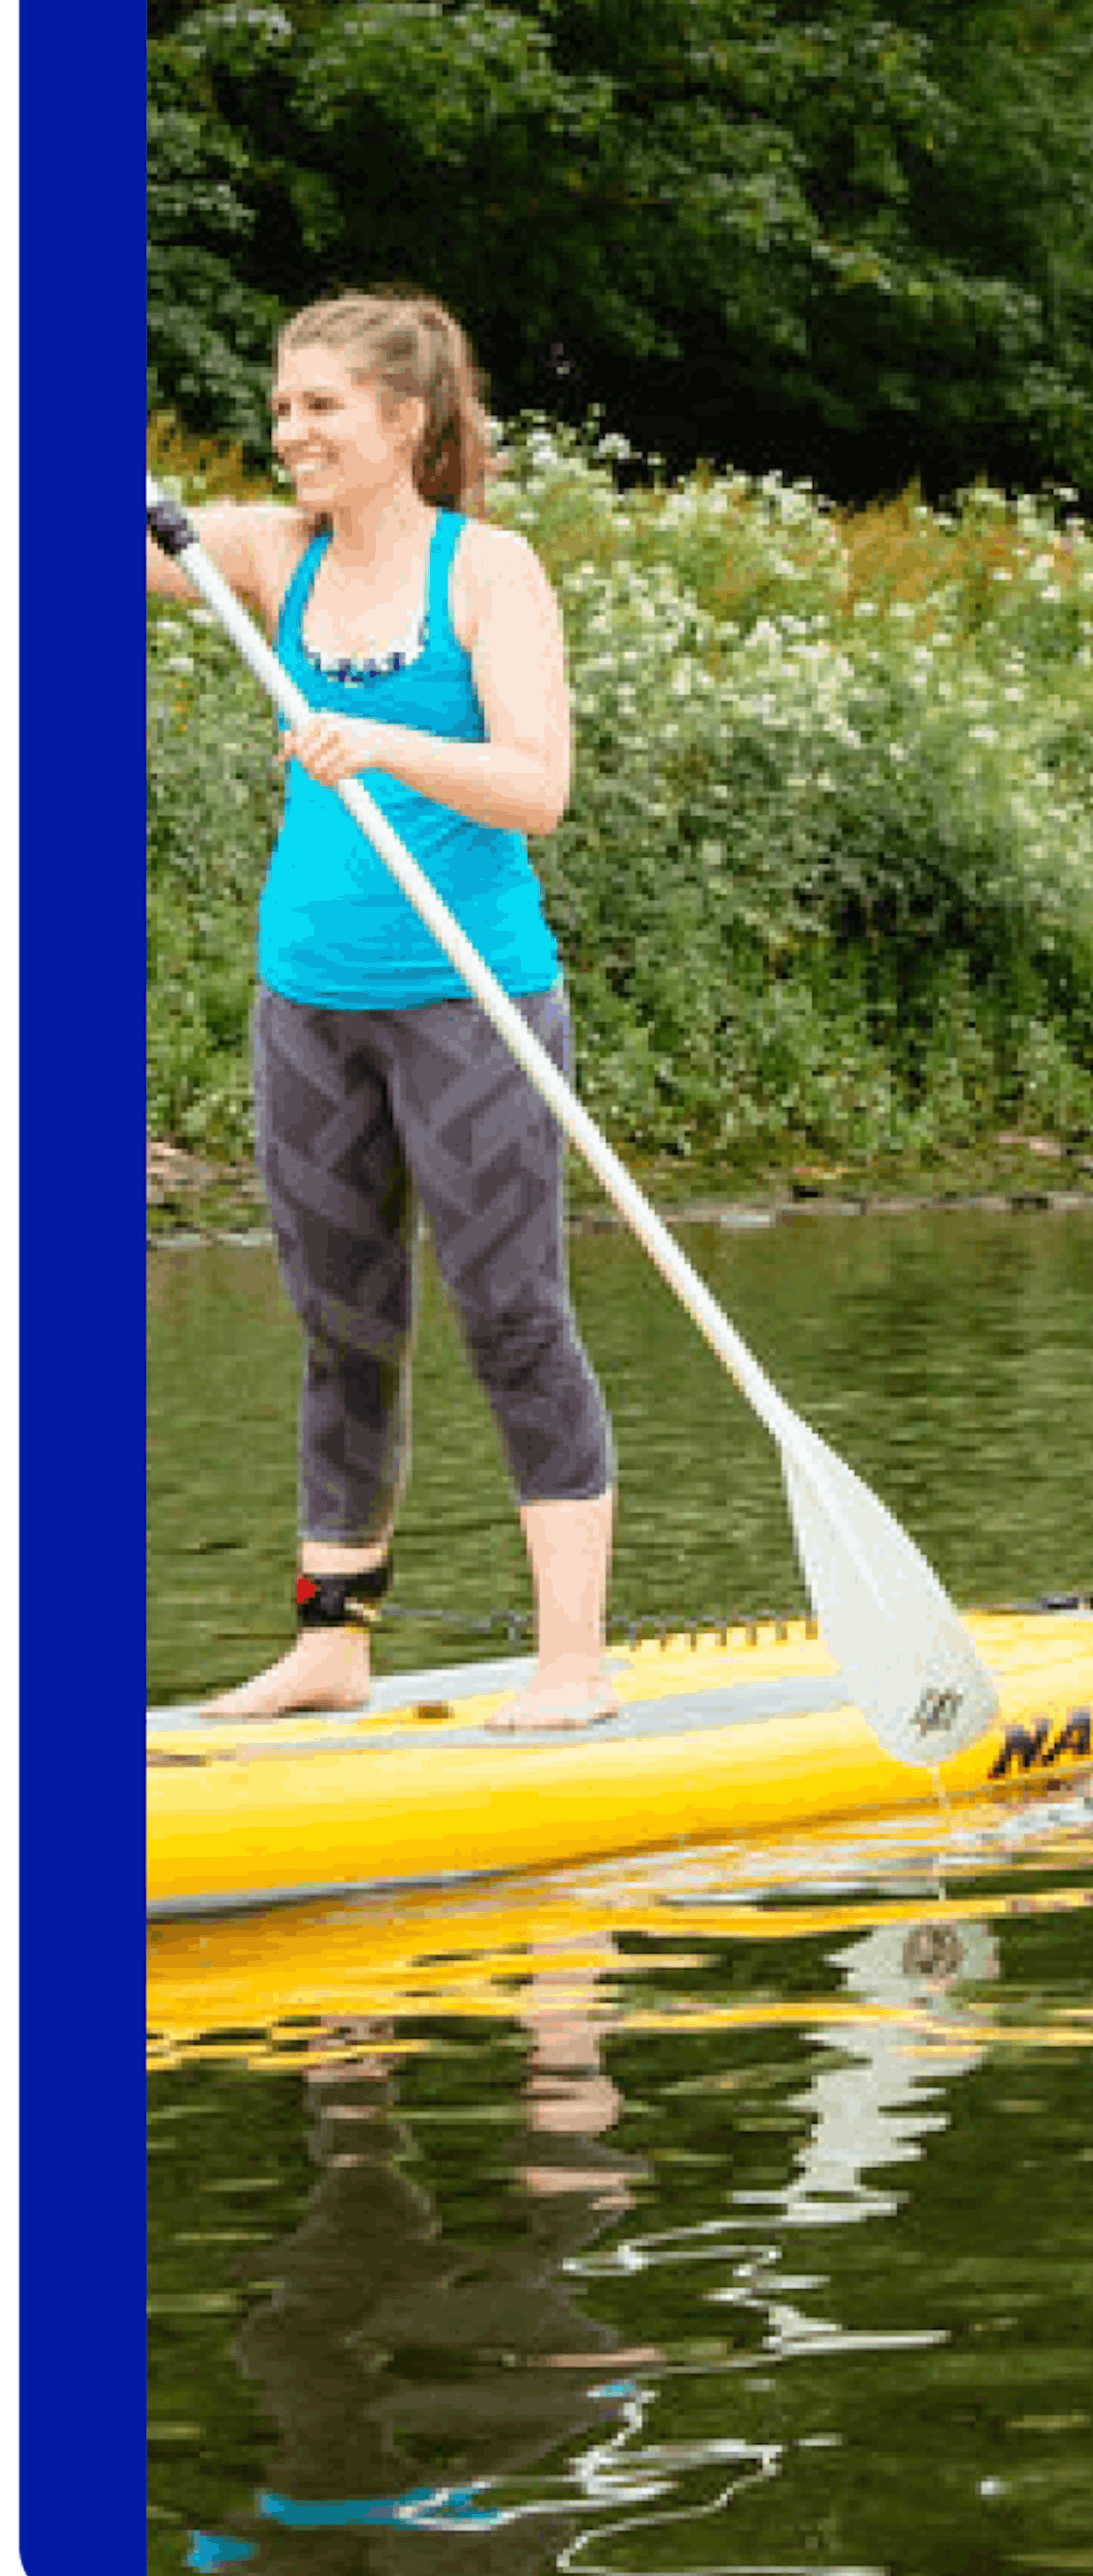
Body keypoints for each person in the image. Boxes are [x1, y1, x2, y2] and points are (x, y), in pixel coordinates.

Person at [149, 292, 619, 1729]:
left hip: (469, 1002)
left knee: (510, 1316)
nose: (288, 433)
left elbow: (537, 785)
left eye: (321, 410)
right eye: (281, 410)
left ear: (402, 423)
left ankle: (573, 1667)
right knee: (341, 1323)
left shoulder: (489, 573)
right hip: (308, 1003)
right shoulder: (261, 555)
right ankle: (333, 1644)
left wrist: (393, 742)